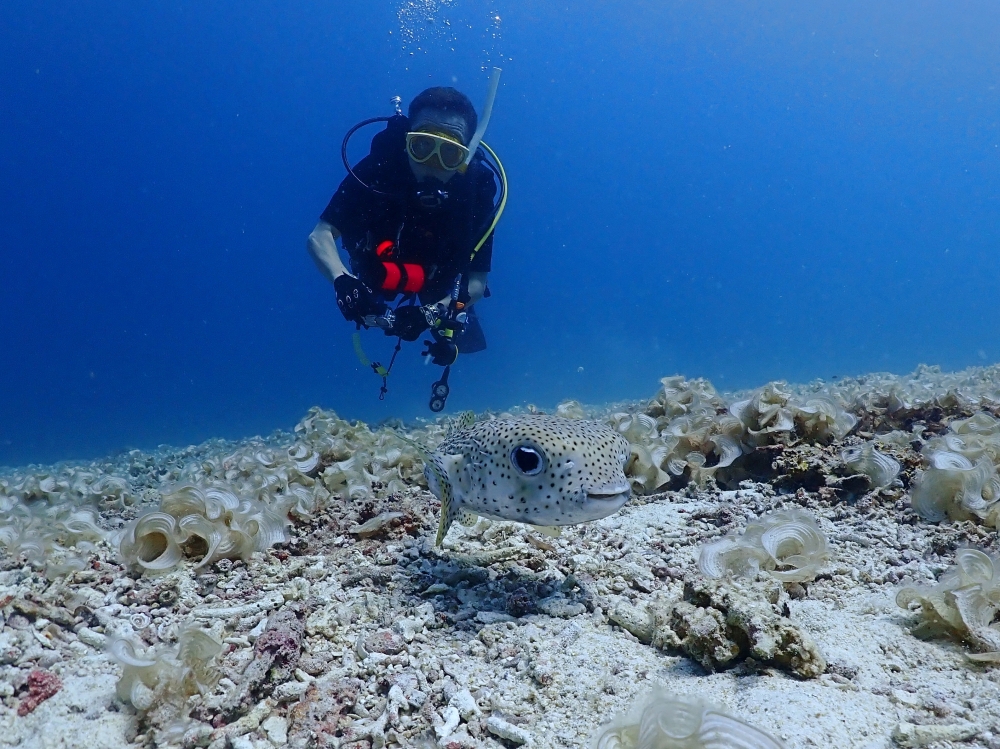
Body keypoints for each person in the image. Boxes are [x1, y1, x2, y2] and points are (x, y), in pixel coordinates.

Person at [307, 86, 504, 370]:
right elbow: (320, 235)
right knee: (368, 296)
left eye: (449, 153)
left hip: (439, 281)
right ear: (407, 140)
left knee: (459, 338)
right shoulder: (380, 168)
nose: (433, 165)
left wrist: (430, 315)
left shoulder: (476, 190)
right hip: (376, 265)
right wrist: (342, 280)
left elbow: (476, 282)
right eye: (422, 146)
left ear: (465, 155)